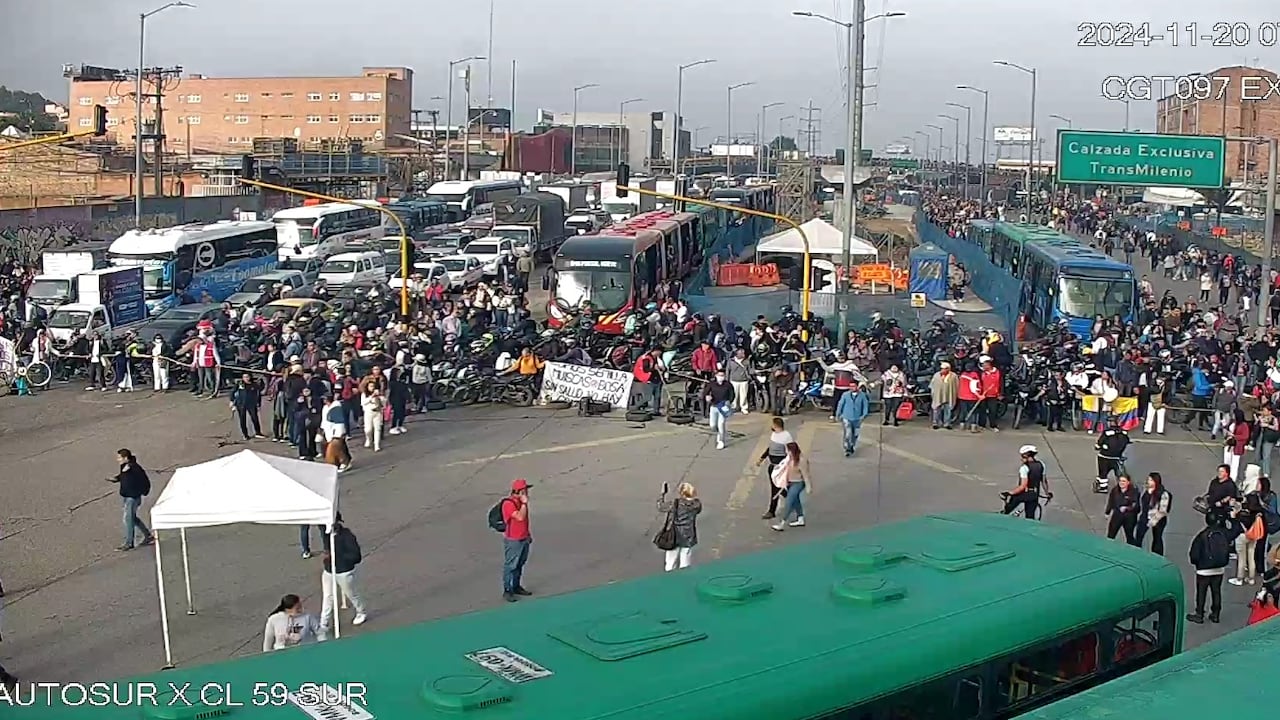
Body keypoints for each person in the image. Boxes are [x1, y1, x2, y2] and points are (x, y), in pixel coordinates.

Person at [318, 513, 367, 638]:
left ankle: (361, 611)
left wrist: (336, 556)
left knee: (351, 594)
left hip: (344, 571)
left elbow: (356, 556)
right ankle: (324, 623)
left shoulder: (347, 536)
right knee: (328, 597)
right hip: (329, 570)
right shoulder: (326, 532)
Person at [1187, 508, 1235, 624]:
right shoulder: (1223, 533)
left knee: (1201, 592)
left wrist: (1197, 564)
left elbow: (1194, 554)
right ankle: (1215, 614)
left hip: (1203, 569)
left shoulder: (1202, 535)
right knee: (1216, 591)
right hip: (1219, 568)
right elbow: (1235, 532)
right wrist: (1233, 518)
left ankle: (1199, 614)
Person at [107, 448, 153, 551]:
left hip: (133, 497)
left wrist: (143, 492)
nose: (117, 459)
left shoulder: (134, 468)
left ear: (125, 458)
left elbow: (144, 480)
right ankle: (148, 535)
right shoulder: (124, 466)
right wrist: (117, 478)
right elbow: (124, 476)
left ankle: (129, 543)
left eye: (119, 457)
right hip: (126, 496)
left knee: (127, 519)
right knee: (132, 518)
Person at [501, 478, 534, 602]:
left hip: (523, 538)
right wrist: (524, 504)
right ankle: (507, 590)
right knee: (511, 565)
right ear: (520, 491)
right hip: (513, 540)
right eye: (525, 490)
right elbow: (520, 517)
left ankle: (516, 586)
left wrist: (528, 535)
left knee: (520, 564)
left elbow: (524, 522)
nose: (527, 493)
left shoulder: (520, 502)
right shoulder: (508, 504)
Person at [657, 482, 702, 571]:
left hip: (674, 535)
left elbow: (661, 507)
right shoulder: (697, 505)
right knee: (685, 562)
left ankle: (669, 580)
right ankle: (683, 580)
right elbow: (698, 509)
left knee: (670, 562)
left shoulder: (675, 504)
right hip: (689, 535)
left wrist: (662, 494)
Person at [770, 441, 813, 531]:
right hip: (790, 483)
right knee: (795, 501)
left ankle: (781, 523)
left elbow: (806, 474)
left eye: (787, 450)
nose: (786, 452)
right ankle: (800, 518)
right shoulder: (789, 458)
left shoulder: (801, 460)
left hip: (798, 483)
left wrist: (809, 486)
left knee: (789, 502)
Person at [756, 417, 793, 519]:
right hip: (772, 466)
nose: (770, 426)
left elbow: (791, 452)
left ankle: (772, 511)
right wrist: (761, 458)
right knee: (779, 488)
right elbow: (770, 448)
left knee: (775, 489)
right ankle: (792, 499)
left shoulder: (786, 437)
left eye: (772, 424)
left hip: (780, 467)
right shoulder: (774, 435)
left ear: (776, 426)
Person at [1003, 445, 1048, 519]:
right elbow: (1044, 481)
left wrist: (1010, 493)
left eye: (1022, 456)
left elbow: (1023, 486)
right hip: (1034, 495)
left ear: (1026, 455)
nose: (1021, 458)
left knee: (1007, 510)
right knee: (1030, 517)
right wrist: (1047, 493)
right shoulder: (1041, 465)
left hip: (1024, 494)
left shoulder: (1024, 468)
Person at [1135, 472, 1172, 555]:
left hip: (1158, 519)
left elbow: (1162, 511)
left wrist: (1152, 521)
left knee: (1157, 538)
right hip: (1145, 516)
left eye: (1151, 480)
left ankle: (1157, 555)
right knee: (1138, 536)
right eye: (1148, 479)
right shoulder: (1147, 490)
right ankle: (1136, 553)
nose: (1148, 481)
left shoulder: (1164, 494)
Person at [835, 378, 870, 457]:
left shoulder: (862, 395)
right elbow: (840, 404)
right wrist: (838, 414)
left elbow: (865, 406)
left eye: (853, 386)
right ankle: (847, 447)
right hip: (846, 417)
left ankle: (852, 445)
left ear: (857, 386)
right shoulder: (845, 395)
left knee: (855, 434)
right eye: (850, 386)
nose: (851, 388)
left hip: (857, 418)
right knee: (848, 433)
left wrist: (864, 415)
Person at [1093, 420, 1129, 493]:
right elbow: (1127, 442)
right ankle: (1123, 488)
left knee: (1103, 473)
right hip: (1117, 457)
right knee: (1119, 473)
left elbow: (1098, 445)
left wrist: (1100, 446)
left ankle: (1103, 487)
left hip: (1104, 456)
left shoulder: (1106, 433)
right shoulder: (1124, 433)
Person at [1104, 474, 1141, 545]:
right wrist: (1107, 512)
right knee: (1111, 534)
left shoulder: (1134, 491)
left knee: (1129, 535)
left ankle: (1131, 550)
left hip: (1129, 517)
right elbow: (1111, 501)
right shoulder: (1115, 490)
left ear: (1128, 482)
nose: (1121, 483)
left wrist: (1127, 508)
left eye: (1124, 481)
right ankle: (1108, 548)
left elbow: (1136, 505)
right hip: (1117, 515)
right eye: (1120, 481)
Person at [704, 371, 735, 450]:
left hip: (723, 406)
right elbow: (705, 392)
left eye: (722, 375)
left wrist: (729, 401)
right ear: (716, 376)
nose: (721, 377)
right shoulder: (712, 384)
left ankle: (721, 440)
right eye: (719, 375)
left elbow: (732, 394)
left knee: (721, 424)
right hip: (714, 406)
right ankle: (718, 432)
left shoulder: (728, 384)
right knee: (712, 425)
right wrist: (707, 397)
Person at [230, 374, 265, 441]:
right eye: (244, 377)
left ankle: (258, 432)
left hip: (251, 404)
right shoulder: (240, 384)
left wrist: (258, 404)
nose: (246, 378)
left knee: (255, 418)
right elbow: (233, 392)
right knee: (242, 419)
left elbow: (260, 391)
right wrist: (232, 401)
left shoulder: (254, 385)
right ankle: (245, 435)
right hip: (241, 404)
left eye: (247, 377)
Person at [320, 395, 351, 472]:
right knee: (331, 448)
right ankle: (336, 463)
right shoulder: (325, 408)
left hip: (336, 433)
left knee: (338, 449)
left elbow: (339, 422)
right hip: (328, 432)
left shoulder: (336, 408)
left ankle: (344, 463)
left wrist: (338, 434)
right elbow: (324, 421)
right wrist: (321, 430)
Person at [928, 362, 957, 429]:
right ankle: (936, 423)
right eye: (942, 369)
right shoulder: (936, 375)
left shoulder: (953, 376)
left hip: (948, 395)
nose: (943, 370)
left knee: (948, 409)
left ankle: (947, 423)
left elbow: (956, 386)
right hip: (938, 395)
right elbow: (932, 385)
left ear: (948, 369)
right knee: (936, 409)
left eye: (945, 369)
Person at [361, 385, 386, 452]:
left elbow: (384, 404)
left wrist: (380, 398)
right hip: (368, 412)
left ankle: (377, 445)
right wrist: (371, 396)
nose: (372, 388)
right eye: (371, 386)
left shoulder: (379, 394)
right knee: (368, 429)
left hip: (377, 413)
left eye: (373, 386)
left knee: (377, 429)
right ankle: (368, 439)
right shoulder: (364, 394)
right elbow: (363, 403)